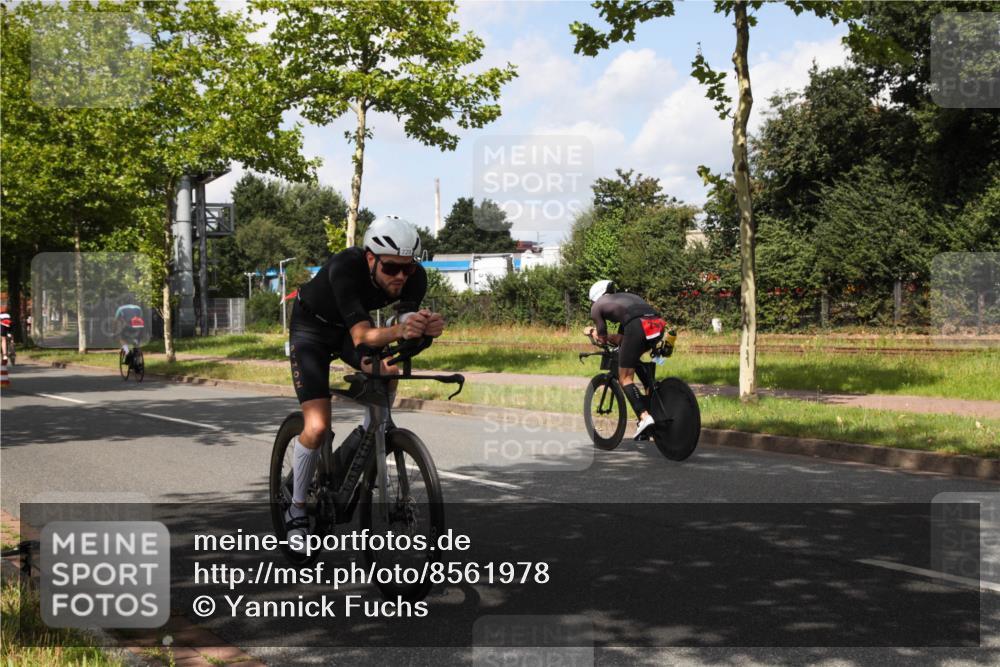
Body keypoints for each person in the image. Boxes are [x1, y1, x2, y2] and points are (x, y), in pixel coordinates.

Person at [286, 215, 445, 547]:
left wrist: (422, 327)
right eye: (391, 268)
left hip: (345, 332)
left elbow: (402, 323)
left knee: (387, 367)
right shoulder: (346, 267)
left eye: (408, 268)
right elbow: (362, 335)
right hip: (311, 331)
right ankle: (297, 509)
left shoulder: (414, 279)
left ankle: (372, 427)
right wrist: (401, 329)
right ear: (371, 258)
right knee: (316, 426)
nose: (401, 276)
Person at [583, 280, 667, 437]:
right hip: (658, 324)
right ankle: (652, 410)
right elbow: (622, 339)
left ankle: (644, 417)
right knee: (639, 367)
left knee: (625, 379)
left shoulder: (597, 306)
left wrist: (592, 332)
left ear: (595, 297)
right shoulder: (625, 300)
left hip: (637, 326)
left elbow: (602, 339)